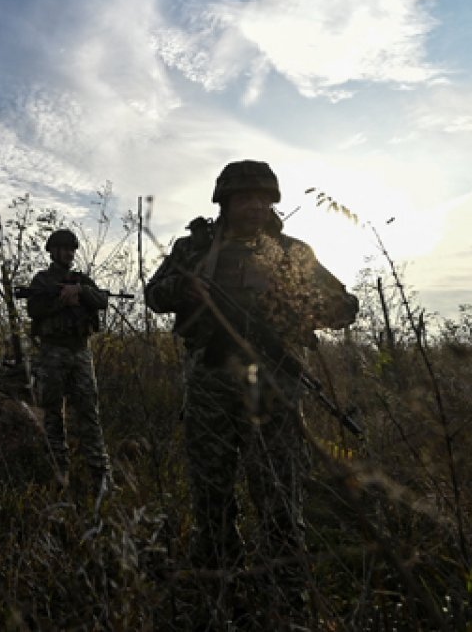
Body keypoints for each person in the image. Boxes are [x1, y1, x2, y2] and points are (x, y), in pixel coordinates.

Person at [145, 160, 358, 625]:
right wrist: (186, 287)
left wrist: (295, 308)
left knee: (279, 493)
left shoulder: (292, 252)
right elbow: (153, 294)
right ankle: (221, 589)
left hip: (274, 386)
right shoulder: (196, 246)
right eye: (245, 198)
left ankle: (288, 596)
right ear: (225, 201)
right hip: (209, 383)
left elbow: (345, 306)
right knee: (211, 490)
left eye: (263, 198)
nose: (255, 206)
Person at [25, 228, 114, 496]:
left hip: (80, 351)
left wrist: (81, 291)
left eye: (71, 249)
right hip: (52, 352)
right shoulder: (42, 281)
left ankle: (100, 475)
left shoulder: (81, 279)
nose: (68, 253)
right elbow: (33, 309)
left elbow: (102, 301)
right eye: (63, 248)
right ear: (52, 251)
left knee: (89, 413)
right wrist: (61, 302)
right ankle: (59, 471)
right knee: (52, 413)